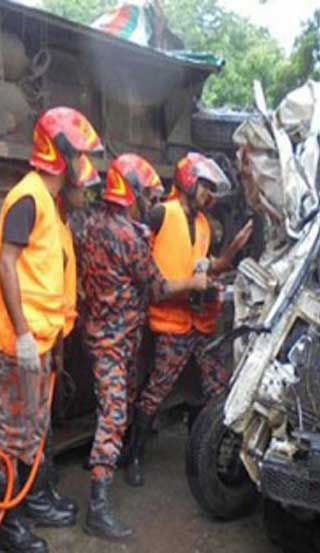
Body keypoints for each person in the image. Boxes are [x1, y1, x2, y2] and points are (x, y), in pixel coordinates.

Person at [0, 107, 102, 553]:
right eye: (80, 155)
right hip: (17, 343)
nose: (84, 166)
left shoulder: (48, 203)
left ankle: (25, 504)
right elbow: (6, 265)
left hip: (38, 340)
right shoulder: (28, 198)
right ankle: (5, 526)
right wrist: (25, 335)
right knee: (12, 435)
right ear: (60, 156)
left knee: (31, 430)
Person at [75, 153, 209, 540]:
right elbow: (159, 287)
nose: (151, 202)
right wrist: (195, 285)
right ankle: (97, 508)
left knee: (114, 401)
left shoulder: (88, 222)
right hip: (118, 338)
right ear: (130, 191)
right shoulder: (131, 236)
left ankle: (109, 458)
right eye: (147, 195)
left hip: (97, 331)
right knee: (116, 414)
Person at [125, 153, 253, 488]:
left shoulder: (204, 225)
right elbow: (138, 256)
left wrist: (225, 259)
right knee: (156, 390)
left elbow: (203, 266)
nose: (210, 196)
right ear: (189, 181)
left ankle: (200, 454)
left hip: (199, 323)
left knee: (214, 388)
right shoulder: (159, 214)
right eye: (206, 188)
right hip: (171, 323)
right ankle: (134, 455)